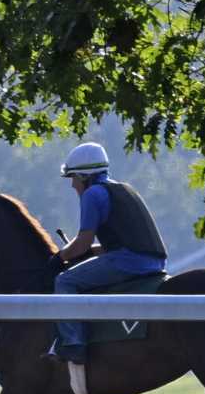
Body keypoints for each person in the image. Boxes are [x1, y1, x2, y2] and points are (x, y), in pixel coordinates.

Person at [47, 142, 168, 364]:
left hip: (129, 262)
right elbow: (114, 243)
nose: (73, 185)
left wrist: (59, 257)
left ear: (84, 176)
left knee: (65, 281)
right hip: (152, 261)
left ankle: (74, 344)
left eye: (73, 178)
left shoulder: (93, 194)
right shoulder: (123, 189)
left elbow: (83, 242)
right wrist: (87, 253)